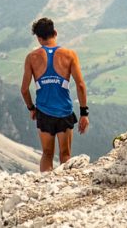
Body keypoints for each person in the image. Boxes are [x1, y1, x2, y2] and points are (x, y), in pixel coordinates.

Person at [20, 17, 89, 172]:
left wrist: (32, 108)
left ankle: (46, 189)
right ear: (55, 32)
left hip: (44, 112)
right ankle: (65, 189)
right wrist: (84, 113)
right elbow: (80, 85)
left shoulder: (32, 58)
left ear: (38, 38)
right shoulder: (69, 55)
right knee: (65, 154)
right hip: (64, 111)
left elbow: (24, 89)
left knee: (47, 153)